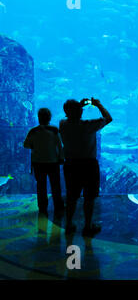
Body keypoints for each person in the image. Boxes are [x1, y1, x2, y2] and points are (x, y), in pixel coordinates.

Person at [59, 98, 112, 237]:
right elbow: (108, 118)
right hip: (88, 165)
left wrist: (79, 106)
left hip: (70, 165)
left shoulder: (63, 124)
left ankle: (69, 223)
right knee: (89, 197)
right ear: (80, 111)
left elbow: (71, 115)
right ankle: (88, 226)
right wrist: (98, 104)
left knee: (71, 196)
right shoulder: (88, 125)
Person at [24, 108, 65, 216]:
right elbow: (59, 146)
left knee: (41, 186)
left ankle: (42, 207)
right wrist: (61, 158)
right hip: (53, 162)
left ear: (38, 118)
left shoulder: (33, 131)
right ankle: (58, 205)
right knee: (55, 185)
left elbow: (26, 145)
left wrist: (35, 145)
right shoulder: (54, 130)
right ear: (49, 118)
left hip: (38, 163)